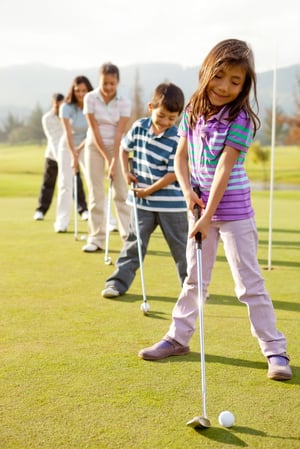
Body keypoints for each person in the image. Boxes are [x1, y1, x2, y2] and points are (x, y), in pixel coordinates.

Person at [138, 39, 292, 382]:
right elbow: (182, 156)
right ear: (207, 71)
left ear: (245, 85)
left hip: (234, 212)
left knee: (248, 285)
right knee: (195, 281)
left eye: (235, 81)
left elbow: (223, 168)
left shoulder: (243, 119)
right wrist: (188, 193)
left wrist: (207, 217)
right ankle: (178, 338)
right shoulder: (193, 108)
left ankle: (275, 350)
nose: (224, 86)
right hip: (199, 208)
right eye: (219, 76)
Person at [101, 82, 188, 298]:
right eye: (162, 116)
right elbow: (123, 149)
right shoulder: (139, 127)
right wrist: (126, 172)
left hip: (171, 205)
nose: (166, 122)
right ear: (151, 107)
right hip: (142, 203)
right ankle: (117, 283)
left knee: (181, 249)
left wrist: (149, 190)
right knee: (134, 244)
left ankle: (192, 289)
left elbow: (173, 174)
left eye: (172, 117)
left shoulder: (178, 137)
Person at [82, 62, 131, 252]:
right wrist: (107, 158)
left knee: (120, 192)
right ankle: (96, 239)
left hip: (117, 146)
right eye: (105, 83)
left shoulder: (124, 102)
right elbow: (93, 129)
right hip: (94, 146)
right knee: (96, 194)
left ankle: (128, 236)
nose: (108, 87)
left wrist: (114, 159)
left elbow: (120, 133)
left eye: (112, 83)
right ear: (99, 81)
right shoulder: (90, 98)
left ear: (117, 82)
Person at [33, 93, 88, 222]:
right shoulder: (47, 118)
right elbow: (53, 140)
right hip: (53, 155)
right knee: (48, 183)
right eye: (57, 105)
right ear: (54, 105)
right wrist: (64, 160)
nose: (60, 107)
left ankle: (83, 210)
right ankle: (41, 210)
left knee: (76, 182)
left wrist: (71, 156)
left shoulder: (69, 114)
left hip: (70, 153)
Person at [54, 76, 93, 233]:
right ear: (73, 90)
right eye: (77, 90)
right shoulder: (66, 107)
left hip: (87, 144)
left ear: (89, 90)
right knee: (65, 183)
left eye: (84, 90)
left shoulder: (93, 105)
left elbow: (92, 130)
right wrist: (73, 154)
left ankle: (107, 220)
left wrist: (80, 150)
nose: (81, 94)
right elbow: (68, 133)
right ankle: (61, 222)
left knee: (93, 182)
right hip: (67, 146)